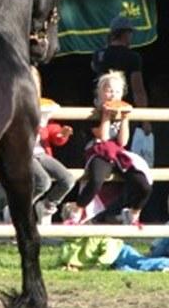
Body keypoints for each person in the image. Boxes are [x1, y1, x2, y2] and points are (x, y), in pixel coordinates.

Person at [60, 70, 152, 225]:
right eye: (108, 90)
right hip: (99, 151)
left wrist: (124, 119)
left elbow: (122, 141)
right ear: (100, 92)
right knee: (96, 180)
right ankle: (78, 209)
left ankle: (134, 211)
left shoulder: (122, 111)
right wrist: (106, 115)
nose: (112, 95)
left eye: (117, 91)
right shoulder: (92, 113)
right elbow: (103, 137)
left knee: (143, 184)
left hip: (118, 153)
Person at [91, 15, 152, 136]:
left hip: (101, 110)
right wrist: (145, 120)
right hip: (124, 113)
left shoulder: (98, 55)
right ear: (126, 34)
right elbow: (138, 91)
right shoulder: (133, 57)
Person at [30, 66, 76, 224]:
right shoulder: (14, 103)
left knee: (68, 179)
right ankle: (19, 209)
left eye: (35, 84)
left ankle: (46, 206)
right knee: (43, 182)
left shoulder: (45, 106)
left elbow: (51, 131)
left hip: (42, 153)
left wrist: (61, 134)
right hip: (24, 154)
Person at [60, 236, 169, 273]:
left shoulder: (95, 235)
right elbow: (65, 259)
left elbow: (109, 251)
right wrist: (66, 267)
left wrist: (97, 267)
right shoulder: (68, 244)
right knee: (125, 271)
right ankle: (164, 271)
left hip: (120, 253)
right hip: (111, 265)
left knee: (140, 263)